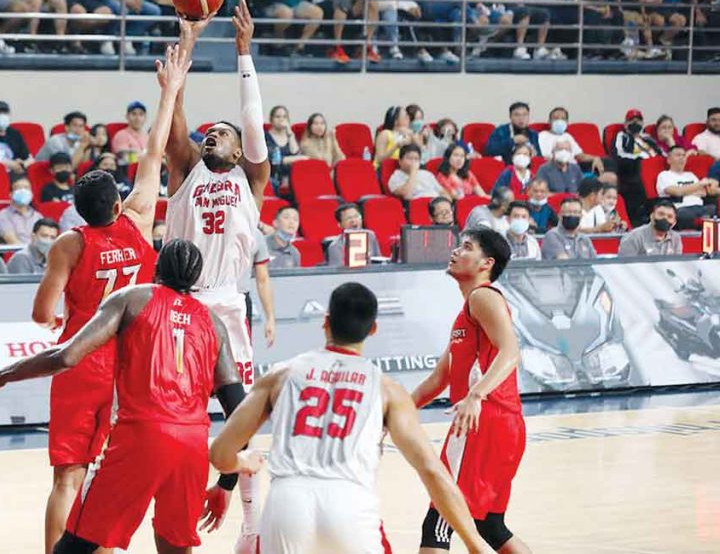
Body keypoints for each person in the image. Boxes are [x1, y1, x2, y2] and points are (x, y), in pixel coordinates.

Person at [0, 240, 249, 554]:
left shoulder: (132, 298)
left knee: (73, 546)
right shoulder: (213, 323)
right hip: (192, 445)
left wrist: (2, 375)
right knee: (175, 547)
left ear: (157, 267)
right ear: (197, 277)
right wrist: (227, 482)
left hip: (142, 437)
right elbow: (239, 409)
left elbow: (66, 356)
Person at [29, 44, 188, 553]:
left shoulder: (68, 244)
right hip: (131, 365)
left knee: (66, 478)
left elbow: (41, 314)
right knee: (112, 474)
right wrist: (170, 92)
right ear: (117, 203)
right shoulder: (139, 218)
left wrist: (67, 316)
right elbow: (155, 152)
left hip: (79, 359)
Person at [210, 282, 497, 554]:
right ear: (373, 329)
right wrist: (475, 543)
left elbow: (221, 453)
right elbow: (431, 470)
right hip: (348, 503)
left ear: (325, 322)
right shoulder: (387, 389)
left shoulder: (281, 375)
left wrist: (242, 462)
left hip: (287, 503)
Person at [163, 2, 271, 550]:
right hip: (178, 309)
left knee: (243, 420)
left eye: (222, 134)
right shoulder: (184, 169)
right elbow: (174, 116)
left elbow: (253, 124)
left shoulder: (253, 179)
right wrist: (186, 44)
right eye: (210, 133)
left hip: (228, 307)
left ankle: (251, 528)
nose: (214, 136)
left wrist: (242, 50)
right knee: (171, 421)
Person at [412, 229, 530, 554]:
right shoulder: (468, 312)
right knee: (490, 526)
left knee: (440, 518)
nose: (455, 251)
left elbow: (511, 351)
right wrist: (391, 415)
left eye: (467, 247)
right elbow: (438, 380)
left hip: (482, 421)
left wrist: (476, 395)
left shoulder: (483, 297)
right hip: (503, 423)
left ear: (486, 263)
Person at [614, 108, 661, 222]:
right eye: (632, 120)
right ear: (626, 124)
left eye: (638, 120)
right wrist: (639, 159)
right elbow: (619, 155)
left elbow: (658, 153)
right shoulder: (622, 136)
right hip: (631, 168)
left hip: (652, 168)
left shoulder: (647, 138)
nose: (635, 123)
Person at [541, 107, 606, 174]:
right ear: (549, 121)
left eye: (563, 119)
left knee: (606, 162)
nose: (559, 121)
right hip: (557, 168)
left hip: (575, 168)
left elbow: (580, 156)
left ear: (567, 122)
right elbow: (543, 157)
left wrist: (596, 158)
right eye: (556, 118)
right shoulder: (542, 135)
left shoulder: (567, 136)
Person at [242, 229, 277, 347]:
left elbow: (263, 279)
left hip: (240, 298)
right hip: (206, 297)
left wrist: (270, 318)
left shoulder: (254, 234)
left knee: (241, 354)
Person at [618, 200, 683, 257]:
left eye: (670, 216)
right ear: (652, 216)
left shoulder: (676, 238)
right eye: (661, 214)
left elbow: (676, 266)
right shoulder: (633, 237)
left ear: (674, 222)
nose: (665, 218)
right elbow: (625, 267)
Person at [266, 105, 306, 190]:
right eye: (278, 117)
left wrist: (289, 132)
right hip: (273, 175)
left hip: (291, 176)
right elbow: (276, 160)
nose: (281, 119)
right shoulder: (265, 136)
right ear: (271, 119)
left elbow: (295, 152)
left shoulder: (289, 135)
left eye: (284, 117)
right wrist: (299, 158)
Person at [0, 178, 42, 245]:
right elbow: (13, 242)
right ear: (10, 194)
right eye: (19, 188)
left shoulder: (38, 216)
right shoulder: (3, 216)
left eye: (26, 188)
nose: (23, 191)